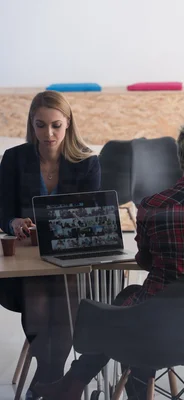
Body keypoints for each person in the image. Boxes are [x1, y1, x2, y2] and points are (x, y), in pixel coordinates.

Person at [35, 116, 184, 400]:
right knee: (127, 303)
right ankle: (76, 383)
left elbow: (145, 261)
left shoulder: (151, 205)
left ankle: (80, 381)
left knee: (124, 304)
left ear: (181, 158)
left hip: (152, 326)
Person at [0, 90, 100, 399]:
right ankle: (55, 381)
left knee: (65, 302)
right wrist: (13, 223)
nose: (48, 133)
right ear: (31, 125)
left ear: (68, 124)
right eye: (40, 125)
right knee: (40, 303)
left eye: (56, 125)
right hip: (28, 260)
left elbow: (91, 219)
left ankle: (47, 380)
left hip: (70, 259)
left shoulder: (86, 162)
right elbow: (3, 210)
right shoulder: (14, 158)